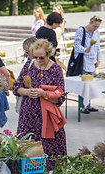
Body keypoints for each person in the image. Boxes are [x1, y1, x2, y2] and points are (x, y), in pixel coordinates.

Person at [12, 39, 67, 171]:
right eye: (35, 56)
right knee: (27, 150)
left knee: (50, 153)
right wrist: (26, 91)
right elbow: (16, 87)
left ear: (49, 54)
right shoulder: (29, 65)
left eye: (41, 57)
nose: (38, 59)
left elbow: (60, 97)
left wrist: (43, 93)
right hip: (28, 118)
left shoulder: (56, 70)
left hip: (47, 118)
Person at [73, 16, 102, 114]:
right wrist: (85, 49)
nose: (95, 28)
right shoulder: (81, 31)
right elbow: (76, 46)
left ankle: (88, 104)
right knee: (84, 84)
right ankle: (83, 106)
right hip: (83, 61)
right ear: (90, 22)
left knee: (90, 85)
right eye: (94, 26)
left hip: (92, 61)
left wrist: (99, 59)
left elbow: (98, 47)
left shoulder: (97, 33)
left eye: (97, 27)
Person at [52, 4, 67, 72]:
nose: (53, 10)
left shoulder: (61, 19)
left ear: (59, 10)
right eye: (53, 9)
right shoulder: (51, 18)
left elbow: (62, 30)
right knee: (55, 59)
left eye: (55, 9)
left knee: (58, 59)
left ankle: (67, 70)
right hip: (53, 38)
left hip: (59, 39)